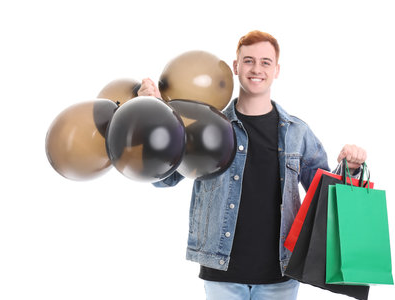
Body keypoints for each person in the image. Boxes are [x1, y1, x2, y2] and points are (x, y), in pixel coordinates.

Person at [138, 30, 367, 300]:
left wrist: (350, 168)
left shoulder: (297, 132)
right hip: (222, 273)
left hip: (279, 275)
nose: (256, 68)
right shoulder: (204, 129)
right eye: (248, 60)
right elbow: (163, 178)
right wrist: (151, 116)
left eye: (265, 62)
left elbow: (324, 195)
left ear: (276, 70)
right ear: (236, 66)